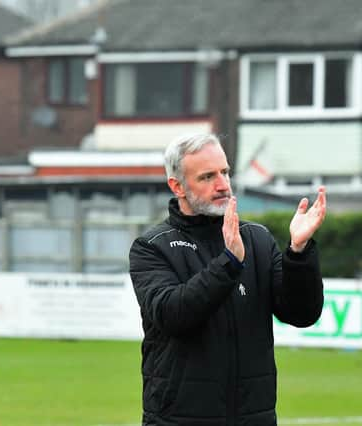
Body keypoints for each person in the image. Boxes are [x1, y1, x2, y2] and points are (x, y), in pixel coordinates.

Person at [129, 133, 326, 426]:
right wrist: (229, 263)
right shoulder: (152, 247)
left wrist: (298, 253)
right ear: (177, 186)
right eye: (207, 177)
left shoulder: (257, 239)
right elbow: (173, 315)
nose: (222, 185)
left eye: (224, 172)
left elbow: (302, 314)